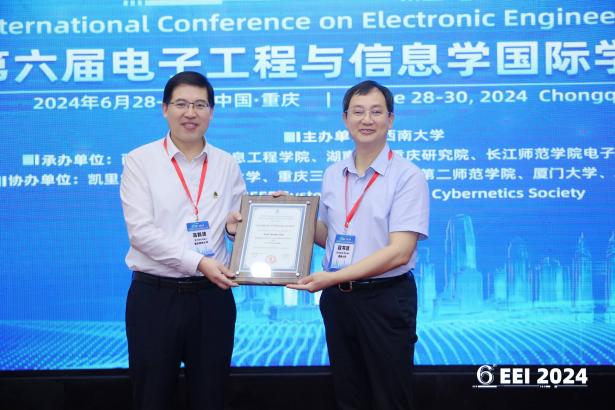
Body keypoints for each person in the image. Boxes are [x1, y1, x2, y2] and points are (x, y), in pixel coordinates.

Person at [288, 80, 429, 410]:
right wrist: (293, 214)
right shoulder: (333, 173)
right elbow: (330, 235)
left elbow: (400, 251)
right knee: (348, 396)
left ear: (390, 119)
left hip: (385, 299)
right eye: (358, 112)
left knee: (389, 397)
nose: (367, 120)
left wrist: (332, 278)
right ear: (345, 118)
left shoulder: (407, 176)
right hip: (339, 301)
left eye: (376, 112)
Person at [120, 71, 245, 410]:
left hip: (212, 299)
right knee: (152, 397)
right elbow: (141, 233)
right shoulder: (140, 161)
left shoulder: (226, 163)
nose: (191, 113)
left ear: (211, 112)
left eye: (200, 105)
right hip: (155, 298)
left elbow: (236, 224)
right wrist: (200, 262)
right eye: (181, 104)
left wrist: (246, 224)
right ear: (165, 109)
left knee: (212, 396)